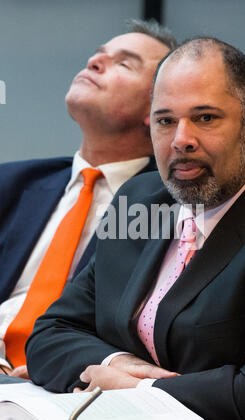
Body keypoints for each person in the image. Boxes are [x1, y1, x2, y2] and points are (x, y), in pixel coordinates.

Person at [26, 37, 245, 420]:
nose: (181, 140)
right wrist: (116, 362)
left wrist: (140, 390)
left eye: (205, 118)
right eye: (165, 120)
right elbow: (50, 334)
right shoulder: (139, 200)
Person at [0, 19, 176, 379]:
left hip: (70, 385)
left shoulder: (173, 209)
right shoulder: (11, 183)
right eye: (98, 55)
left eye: (124, 63)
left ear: (158, 112)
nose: (94, 63)